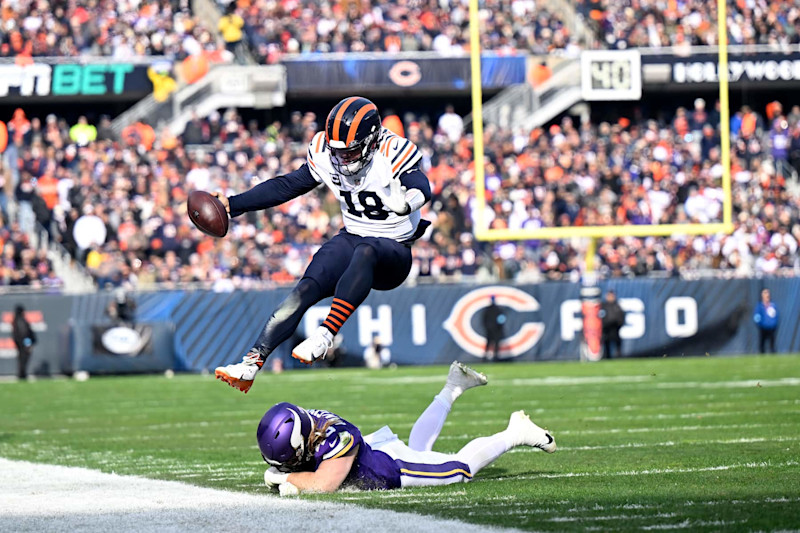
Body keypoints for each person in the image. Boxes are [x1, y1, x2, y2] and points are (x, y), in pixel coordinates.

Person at [211, 97, 431, 393]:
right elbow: (287, 185)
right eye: (337, 151)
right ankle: (251, 363)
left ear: (371, 140)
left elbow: (422, 186)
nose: (343, 159)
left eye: (351, 151)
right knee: (306, 287)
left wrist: (406, 203)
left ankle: (326, 334)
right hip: (352, 236)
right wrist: (232, 205)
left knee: (367, 251)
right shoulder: (326, 151)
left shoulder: (393, 150)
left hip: (393, 249)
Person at [256, 362, 556, 494]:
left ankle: (516, 431)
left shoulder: (336, 437)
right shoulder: (311, 427)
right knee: (419, 449)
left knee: (460, 470)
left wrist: (290, 478)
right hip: (377, 451)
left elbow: (324, 484)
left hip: (392, 468)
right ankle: (452, 387)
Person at [11, 305, 36, 379]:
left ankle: (22, 374)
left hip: (20, 344)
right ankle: (22, 374)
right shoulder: (21, 321)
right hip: (23, 345)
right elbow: (25, 334)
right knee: (23, 359)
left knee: (21, 359)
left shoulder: (16, 321)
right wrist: (27, 344)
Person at [600, 290, 625, 359]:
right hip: (606, 328)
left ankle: (618, 356)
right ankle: (607, 356)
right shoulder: (603, 306)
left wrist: (619, 324)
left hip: (615, 327)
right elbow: (601, 316)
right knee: (606, 343)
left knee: (617, 343)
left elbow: (621, 316)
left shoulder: (617, 305)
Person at [753, 289, 778, 354]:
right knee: (762, 344)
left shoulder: (772, 305)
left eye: (768, 293)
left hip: (772, 328)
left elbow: (776, 315)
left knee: (772, 344)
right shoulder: (760, 306)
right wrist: (760, 324)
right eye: (765, 293)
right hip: (763, 328)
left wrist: (774, 323)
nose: (767, 294)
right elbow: (756, 316)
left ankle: (773, 355)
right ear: (762, 295)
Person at [481, 296, 506, 360]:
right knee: (491, 343)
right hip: (493, 329)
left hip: (493, 329)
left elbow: (484, 319)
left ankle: (492, 356)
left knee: (492, 343)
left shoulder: (493, 309)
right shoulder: (496, 309)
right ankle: (492, 356)